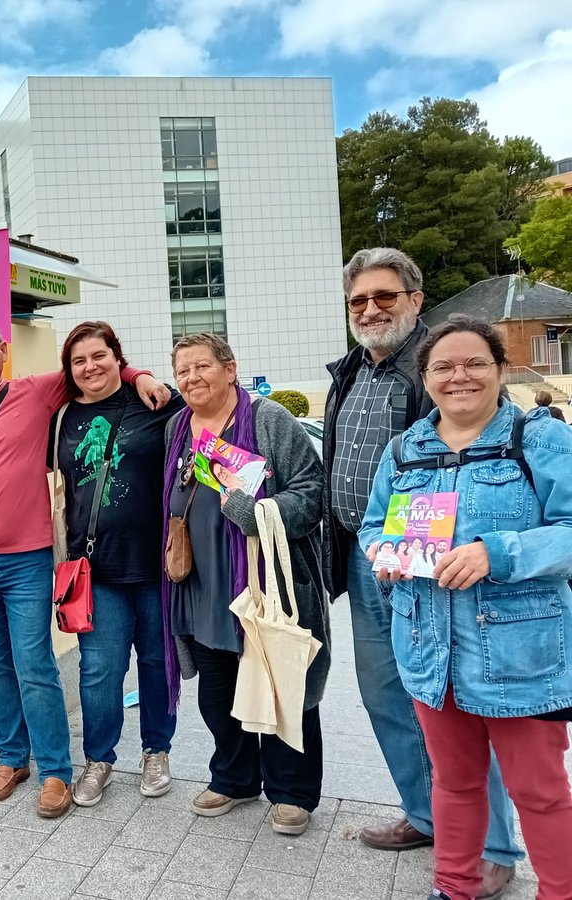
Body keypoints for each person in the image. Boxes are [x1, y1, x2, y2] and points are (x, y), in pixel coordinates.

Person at [322, 248, 520, 892]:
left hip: (434, 567)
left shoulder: (445, 368)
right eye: (359, 300)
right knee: (385, 695)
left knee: (452, 698)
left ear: (414, 299)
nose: (370, 310)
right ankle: (426, 813)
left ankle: (493, 847)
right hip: (366, 556)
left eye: (384, 296)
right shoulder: (350, 370)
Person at [0, 314, 170, 819]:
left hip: (28, 561)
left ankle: (55, 769)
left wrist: (140, 375)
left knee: (34, 666)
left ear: (2, 350)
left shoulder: (35, 393)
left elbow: (96, 366)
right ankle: (12, 757)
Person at [360, 315, 572, 900]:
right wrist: (383, 551)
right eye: (443, 366)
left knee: (541, 792)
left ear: (501, 370)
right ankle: (454, 886)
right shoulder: (405, 449)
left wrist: (496, 553)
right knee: (453, 783)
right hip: (430, 653)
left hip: (519, 657)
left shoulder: (541, 438)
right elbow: (375, 525)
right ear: (424, 377)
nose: (460, 376)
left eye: (475, 362)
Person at [163, 333, 330, 836]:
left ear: (230, 369)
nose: (191, 378)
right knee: (217, 695)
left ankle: (292, 792)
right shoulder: (177, 426)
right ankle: (234, 778)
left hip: (267, 584)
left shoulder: (269, 420)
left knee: (282, 688)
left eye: (202, 367)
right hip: (201, 587)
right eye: (182, 370)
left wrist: (250, 510)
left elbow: (312, 492)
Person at [51, 322, 184, 807]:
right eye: (79, 360)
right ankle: (99, 759)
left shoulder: (158, 404)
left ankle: (156, 750)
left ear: (118, 358)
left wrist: (140, 376)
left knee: (155, 662)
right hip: (95, 568)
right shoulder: (61, 416)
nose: (90, 367)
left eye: (99, 356)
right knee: (99, 669)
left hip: (157, 565)